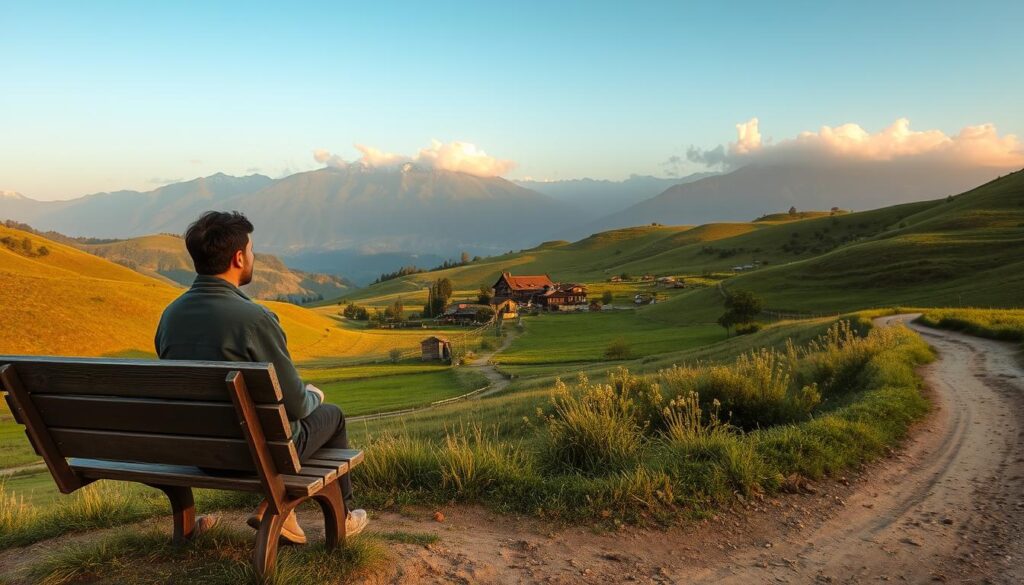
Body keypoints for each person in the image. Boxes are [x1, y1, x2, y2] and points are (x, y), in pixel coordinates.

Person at [154, 210, 368, 543]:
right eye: (252, 250)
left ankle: (286, 514)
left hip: (198, 456)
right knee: (331, 416)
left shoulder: (170, 316)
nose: (253, 257)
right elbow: (297, 406)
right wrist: (315, 395)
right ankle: (340, 516)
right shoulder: (254, 319)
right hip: (252, 457)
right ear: (238, 258)